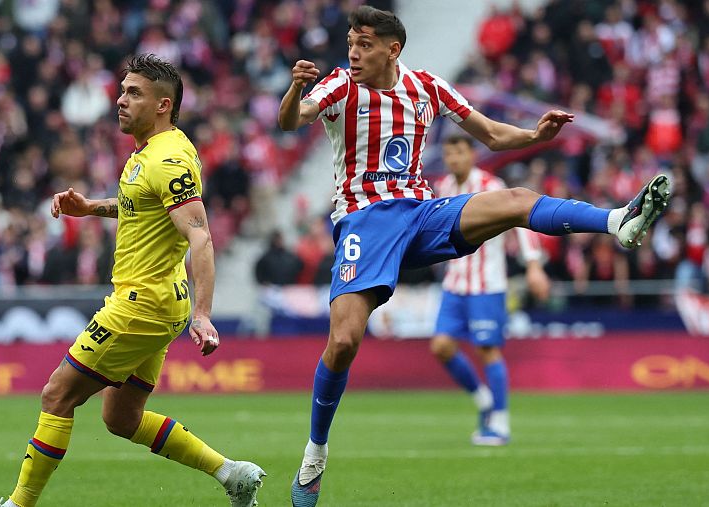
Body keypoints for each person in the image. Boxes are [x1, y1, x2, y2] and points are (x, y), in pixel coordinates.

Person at [277, 6, 670, 506]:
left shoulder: (428, 87)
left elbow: (489, 132)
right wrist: (294, 89)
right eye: (351, 41)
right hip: (365, 221)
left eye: (365, 42)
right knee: (344, 342)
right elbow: (293, 121)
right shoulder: (338, 86)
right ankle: (315, 455)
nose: (353, 51)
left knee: (514, 199)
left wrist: (533, 135)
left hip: (421, 213)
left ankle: (618, 222)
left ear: (391, 49)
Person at [0, 54, 265, 507]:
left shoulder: (169, 159)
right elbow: (143, 206)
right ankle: (231, 474)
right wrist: (91, 208)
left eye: (133, 93)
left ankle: (16, 506)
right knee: (122, 418)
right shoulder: (151, 152)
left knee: (56, 394)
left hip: (144, 302)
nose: (120, 100)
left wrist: (204, 313)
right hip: (159, 301)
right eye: (122, 90)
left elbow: (200, 236)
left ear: (163, 104)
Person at [431, 135, 551, 446]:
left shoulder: (491, 185)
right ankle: (483, 399)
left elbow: (521, 220)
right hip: (455, 283)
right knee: (441, 346)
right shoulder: (444, 187)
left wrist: (534, 265)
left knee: (487, 349)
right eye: (448, 153)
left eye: (459, 152)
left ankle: (500, 422)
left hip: (487, 284)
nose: (454, 158)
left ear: (471, 154)